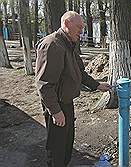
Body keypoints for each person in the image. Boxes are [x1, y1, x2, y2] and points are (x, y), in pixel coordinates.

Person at [35, 11, 111, 167]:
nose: (82, 31)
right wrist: (56, 111)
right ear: (67, 24)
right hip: (57, 105)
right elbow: (44, 84)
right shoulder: (52, 45)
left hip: (67, 103)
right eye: (79, 27)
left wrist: (97, 85)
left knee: (67, 144)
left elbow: (79, 72)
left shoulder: (69, 43)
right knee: (57, 147)